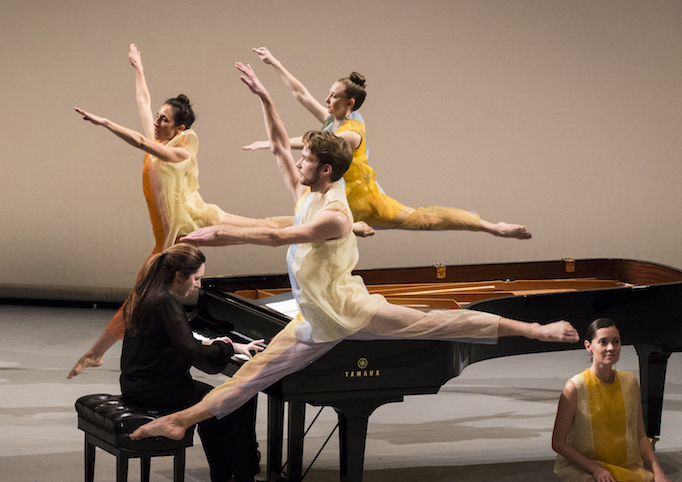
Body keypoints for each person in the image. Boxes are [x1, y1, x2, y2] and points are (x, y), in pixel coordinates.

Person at [127, 62, 578, 442]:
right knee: (251, 375)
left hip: (347, 311)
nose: (298, 163)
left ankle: (536, 329)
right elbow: (283, 150)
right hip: (314, 316)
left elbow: (276, 238)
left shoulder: (335, 216)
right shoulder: (312, 191)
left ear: (323, 169)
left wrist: (216, 233)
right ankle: (180, 422)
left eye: (307, 161)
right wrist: (264, 98)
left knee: (441, 323)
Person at [68, 45, 290, 379]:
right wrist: (139, 69)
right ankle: (96, 354)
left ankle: (333, 224)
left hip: (197, 220)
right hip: (171, 239)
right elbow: (144, 104)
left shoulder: (180, 153)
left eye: (164, 120)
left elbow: (142, 143)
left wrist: (104, 122)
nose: (156, 122)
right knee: (138, 296)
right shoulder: (159, 146)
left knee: (264, 231)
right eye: (158, 118)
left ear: (180, 129)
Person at [244, 47, 531, 239]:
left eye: (333, 96)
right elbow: (301, 94)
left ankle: (493, 227)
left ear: (349, 102)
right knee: (299, 223)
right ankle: (350, 227)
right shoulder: (334, 119)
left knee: (425, 219)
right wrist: (276, 63)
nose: (326, 100)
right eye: (328, 94)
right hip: (336, 194)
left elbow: (314, 147)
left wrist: (275, 142)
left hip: (364, 200)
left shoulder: (352, 132)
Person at [119, 242, 282, 482]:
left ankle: (222, 479)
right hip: (157, 390)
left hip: (137, 385)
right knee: (233, 401)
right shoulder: (166, 303)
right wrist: (225, 348)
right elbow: (194, 353)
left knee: (212, 406)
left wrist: (234, 345)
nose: (197, 285)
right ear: (179, 276)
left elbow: (181, 341)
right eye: (196, 278)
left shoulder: (148, 294)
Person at [551, 318, 682, 482]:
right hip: (589, 470)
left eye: (616, 341)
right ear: (589, 347)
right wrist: (595, 469)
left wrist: (658, 471)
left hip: (625, 467)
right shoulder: (575, 387)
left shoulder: (630, 382)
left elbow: (640, 435)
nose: (611, 347)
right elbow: (558, 442)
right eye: (603, 342)